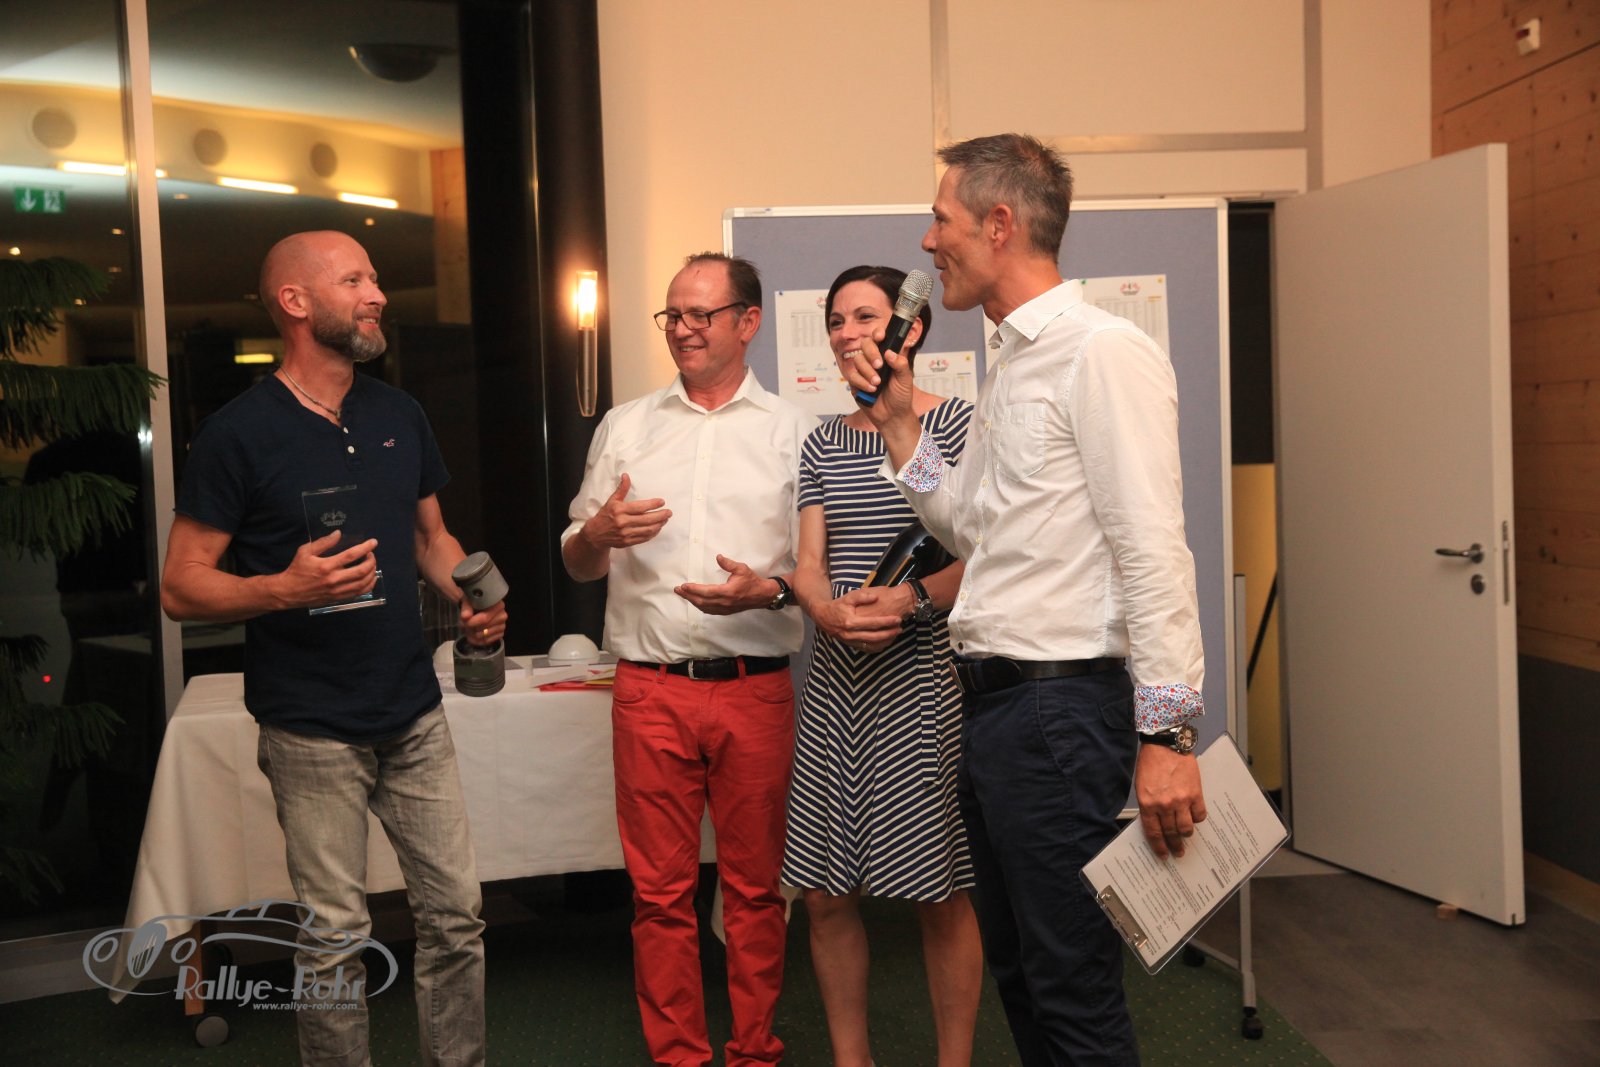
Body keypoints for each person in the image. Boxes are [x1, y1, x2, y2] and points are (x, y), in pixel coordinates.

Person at [844, 134, 1209, 1066]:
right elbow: (972, 528)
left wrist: (1168, 737)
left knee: (1072, 991)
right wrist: (898, 424)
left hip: (1062, 712)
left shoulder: (1102, 353)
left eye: (941, 219)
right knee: (1022, 977)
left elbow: (1154, 549)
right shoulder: (1010, 364)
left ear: (999, 223)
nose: (927, 242)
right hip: (1000, 714)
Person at [160, 230, 504, 1067]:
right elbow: (180, 585)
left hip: (412, 710)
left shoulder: (399, 414)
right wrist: (283, 588)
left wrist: (467, 596)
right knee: (335, 936)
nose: (377, 293)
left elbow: (429, 536)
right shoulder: (237, 434)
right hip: (310, 726)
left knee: (456, 915)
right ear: (296, 302)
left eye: (374, 278)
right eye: (355, 280)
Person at [561, 252, 818, 1067]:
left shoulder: (796, 433)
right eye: (673, 314)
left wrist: (769, 591)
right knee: (659, 894)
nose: (682, 329)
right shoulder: (625, 426)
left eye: (701, 314)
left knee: (755, 889)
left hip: (755, 689)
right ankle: (678, 1056)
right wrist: (597, 533)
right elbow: (577, 559)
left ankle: (754, 1051)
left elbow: (819, 577)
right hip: (650, 690)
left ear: (749, 321)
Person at [781, 265, 983, 1067]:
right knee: (826, 892)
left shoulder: (960, 425)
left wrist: (913, 601)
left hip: (929, 678)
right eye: (836, 320)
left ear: (910, 328)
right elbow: (807, 563)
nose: (846, 333)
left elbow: (984, 555)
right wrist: (825, 609)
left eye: (864, 316)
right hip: (838, 682)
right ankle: (851, 1058)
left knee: (941, 889)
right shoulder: (823, 440)